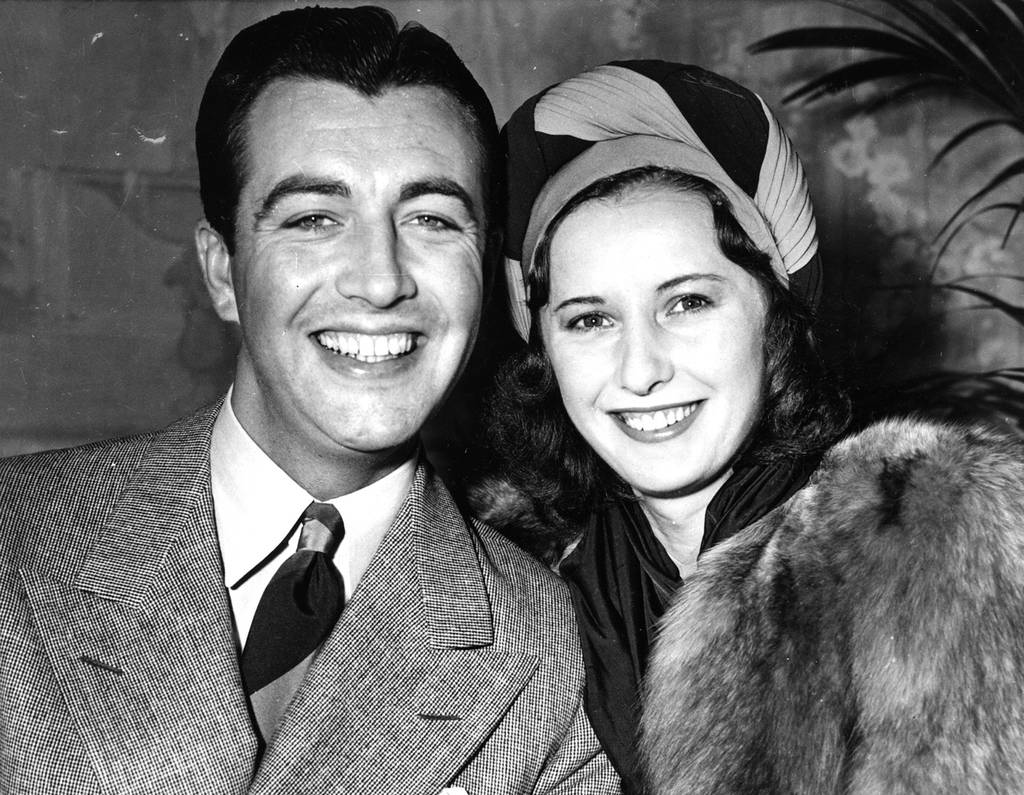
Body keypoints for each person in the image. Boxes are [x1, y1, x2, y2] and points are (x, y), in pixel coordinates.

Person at [0, 8, 620, 793]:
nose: (380, 279)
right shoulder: (16, 544)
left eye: (432, 219)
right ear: (222, 271)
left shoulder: (557, 663)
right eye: (315, 218)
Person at [473, 60, 1024, 792]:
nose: (640, 370)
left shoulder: (923, 538)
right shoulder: (507, 584)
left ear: (774, 317)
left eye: (688, 303)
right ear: (545, 351)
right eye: (590, 320)